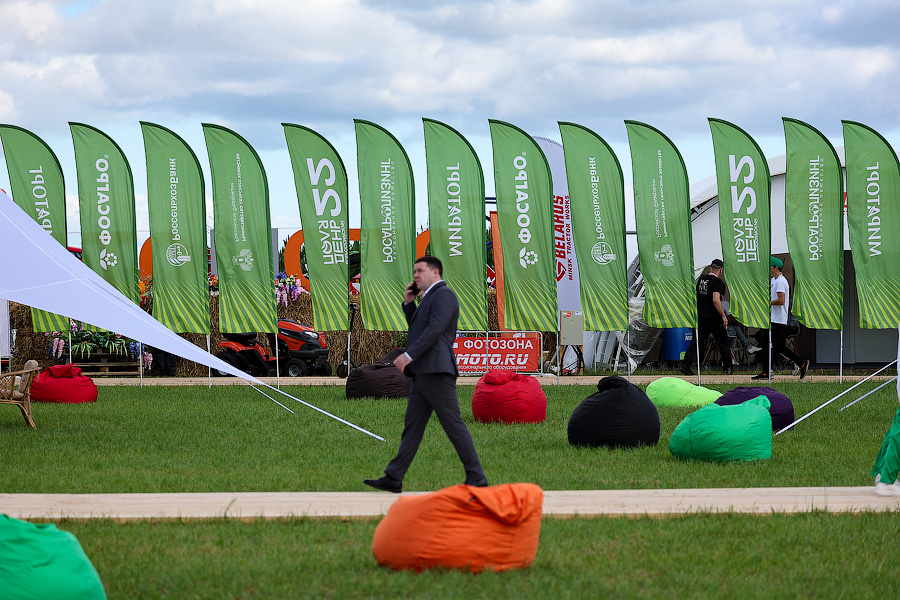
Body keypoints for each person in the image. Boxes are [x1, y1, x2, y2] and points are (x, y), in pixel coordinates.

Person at [364, 256, 487, 493]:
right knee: (413, 426)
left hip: (437, 371)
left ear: (436, 273)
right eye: (414, 271)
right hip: (424, 373)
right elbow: (418, 328)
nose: (416, 275)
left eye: (420, 270)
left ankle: (477, 476)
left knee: (453, 425)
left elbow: (435, 329)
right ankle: (394, 477)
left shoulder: (445, 295)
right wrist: (409, 304)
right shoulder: (429, 297)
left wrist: (409, 356)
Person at [753, 256, 809, 380]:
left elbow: (781, 300)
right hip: (771, 319)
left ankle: (801, 363)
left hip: (777, 320)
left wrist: (766, 303)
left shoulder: (781, 281)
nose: (769, 270)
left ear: (776, 268)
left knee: (778, 346)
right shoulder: (774, 280)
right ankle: (767, 372)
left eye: (770, 267)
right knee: (766, 344)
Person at [680, 258, 732, 376]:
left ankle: (686, 365)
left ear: (710, 268)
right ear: (721, 270)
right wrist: (723, 316)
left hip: (701, 316)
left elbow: (698, 296)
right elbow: (715, 300)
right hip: (714, 317)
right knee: (723, 342)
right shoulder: (718, 283)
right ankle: (728, 368)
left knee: (696, 342)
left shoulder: (701, 280)